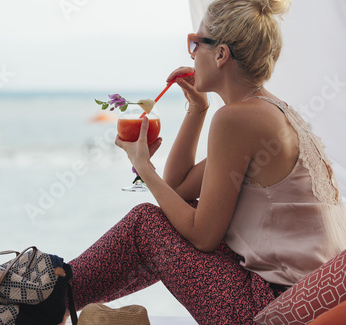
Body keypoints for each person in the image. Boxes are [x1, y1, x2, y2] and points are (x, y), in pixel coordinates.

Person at [68, 0, 346, 323]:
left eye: (195, 43)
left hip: (268, 305)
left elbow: (203, 235)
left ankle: (54, 294)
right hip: (287, 292)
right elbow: (179, 189)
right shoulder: (267, 111)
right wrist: (197, 110)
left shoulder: (237, 119)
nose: (191, 53)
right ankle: (58, 294)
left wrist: (144, 168)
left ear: (221, 54)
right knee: (161, 221)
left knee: (145, 224)